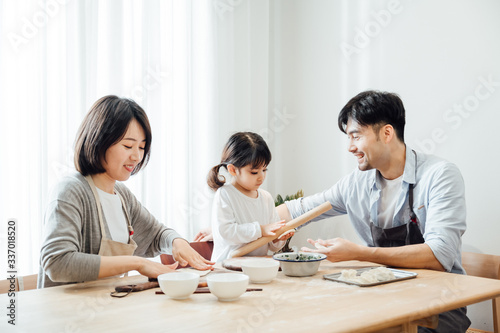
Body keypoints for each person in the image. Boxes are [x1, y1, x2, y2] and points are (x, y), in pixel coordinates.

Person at [276, 90, 470, 332]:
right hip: (382, 298)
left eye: (356, 136)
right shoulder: (356, 184)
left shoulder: (440, 176)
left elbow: (439, 256)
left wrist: (359, 253)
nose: (350, 147)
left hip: (438, 306)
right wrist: (235, 226)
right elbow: (298, 209)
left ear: (387, 133)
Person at [38, 95, 213, 288]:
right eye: (128, 146)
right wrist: (138, 263)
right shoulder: (71, 190)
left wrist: (177, 242)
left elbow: (156, 234)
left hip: (108, 305)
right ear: (100, 140)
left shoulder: (121, 195)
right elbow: (57, 262)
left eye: (142, 147)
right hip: (68, 314)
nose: (137, 156)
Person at [207, 132, 293, 263]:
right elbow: (226, 233)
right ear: (232, 170)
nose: (261, 177)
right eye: (254, 172)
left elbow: (272, 245)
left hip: (255, 267)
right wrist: (261, 230)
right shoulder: (225, 194)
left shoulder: (266, 197)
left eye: (264, 170)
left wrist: (278, 238)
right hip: (226, 269)